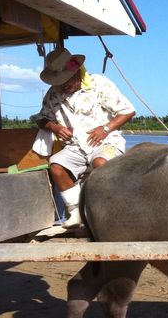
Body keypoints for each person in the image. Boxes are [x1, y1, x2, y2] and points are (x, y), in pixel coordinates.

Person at [34, 47, 135, 227]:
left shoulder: (99, 84)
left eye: (66, 81)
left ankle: (108, 212)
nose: (63, 85)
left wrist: (105, 128)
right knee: (56, 166)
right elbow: (41, 118)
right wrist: (55, 127)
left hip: (106, 141)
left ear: (76, 72)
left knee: (100, 165)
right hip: (76, 146)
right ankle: (75, 211)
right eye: (59, 82)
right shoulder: (54, 93)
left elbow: (128, 111)